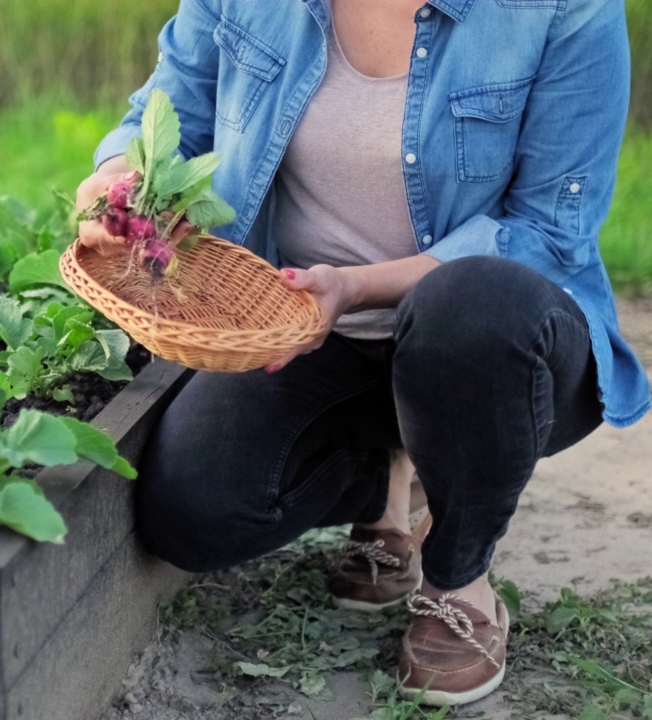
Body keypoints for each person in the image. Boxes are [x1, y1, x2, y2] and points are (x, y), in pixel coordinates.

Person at [76, 0, 649, 706]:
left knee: (467, 312)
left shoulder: (563, 9)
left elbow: (547, 231)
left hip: (493, 343)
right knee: (195, 513)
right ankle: (390, 474)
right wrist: (113, 191)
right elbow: (162, 117)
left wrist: (355, 287)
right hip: (310, 326)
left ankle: (457, 575)